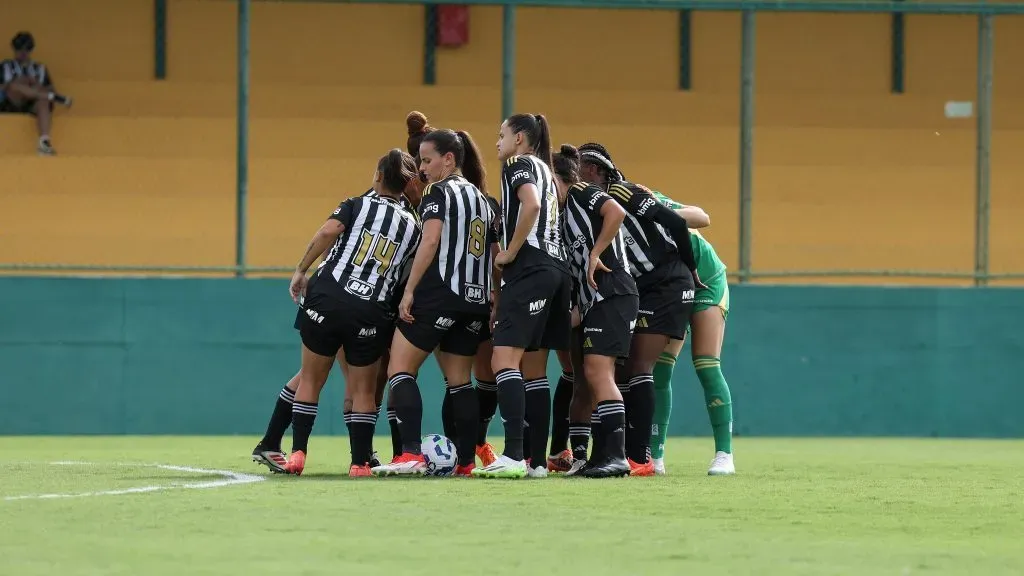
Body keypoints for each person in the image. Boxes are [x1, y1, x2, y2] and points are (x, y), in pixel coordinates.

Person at [251, 113, 430, 473]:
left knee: (312, 377)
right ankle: (361, 459)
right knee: (362, 385)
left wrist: (302, 269)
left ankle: (290, 448)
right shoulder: (415, 222)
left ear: (379, 176)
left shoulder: (358, 203)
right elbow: (411, 268)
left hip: (328, 293)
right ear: (411, 180)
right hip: (369, 306)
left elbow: (330, 230)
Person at [372, 128, 495, 477]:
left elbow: (430, 242)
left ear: (449, 159)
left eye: (427, 160)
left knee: (399, 369)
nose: (423, 168)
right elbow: (492, 253)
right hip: (474, 301)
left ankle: (410, 454)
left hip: (440, 295)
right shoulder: (483, 200)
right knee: (459, 381)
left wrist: (410, 291)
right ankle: (467, 463)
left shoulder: (438, 194)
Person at [577, 142, 702, 477]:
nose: (577, 175)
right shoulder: (589, 207)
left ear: (595, 170)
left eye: (582, 168)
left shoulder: (622, 191)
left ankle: (640, 457)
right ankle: (610, 453)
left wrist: (690, 269)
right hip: (638, 289)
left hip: (667, 284)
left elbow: (675, 223)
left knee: (639, 366)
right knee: (618, 370)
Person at [472, 113, 572, 479]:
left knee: (503, 361)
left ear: (519, 139)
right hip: (558, 272)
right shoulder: (547, 169)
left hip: (531, 269)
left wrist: (510, 251)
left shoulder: (518, 164)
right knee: (535, 371)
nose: (497, 142)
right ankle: (535, 462)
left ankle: (514, 454)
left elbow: (529, 205)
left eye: (501, 135)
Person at [553, 144, 637, 478]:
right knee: (590, 373)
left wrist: (595, 253)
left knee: (599, 372)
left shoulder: (580, 192)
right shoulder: (561, 218)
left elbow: (615, 211)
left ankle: (616, 455)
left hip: (613, 291)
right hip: (595, 300)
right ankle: (603, 454)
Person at [647, 190, 735, 476]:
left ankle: (724, 454)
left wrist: (657, 213)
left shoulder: (647, 200)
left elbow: (701, 217)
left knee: (706, 364)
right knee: (659, 370)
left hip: (707, 282)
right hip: (671, 288)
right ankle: (655, 456)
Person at [0, 32, 72, 156]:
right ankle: (47, 96)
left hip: (31, 105)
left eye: (27, 48)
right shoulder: (5, 66)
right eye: (19, 48)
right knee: (17, 83)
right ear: (14, 49)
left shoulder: (40, 68)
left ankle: (44, 141)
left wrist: (35, 85)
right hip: (10, 102)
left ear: (31, 49)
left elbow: (51, 89)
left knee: (43, 99)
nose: (23, 52)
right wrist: (21, 81)